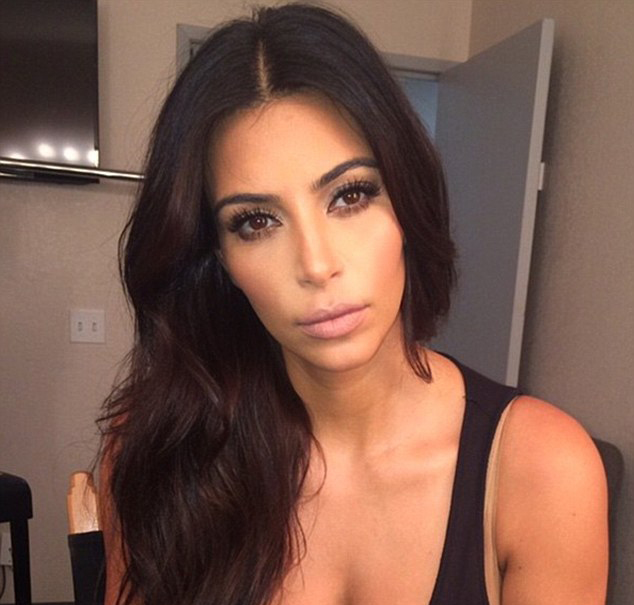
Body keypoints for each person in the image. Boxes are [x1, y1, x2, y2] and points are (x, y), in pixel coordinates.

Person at [98, 4, 608, 605]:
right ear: (219, 258)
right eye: (256, 221)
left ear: (407, 202)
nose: (316, 265)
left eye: (350, 195)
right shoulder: (157, 453)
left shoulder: (543, 470)